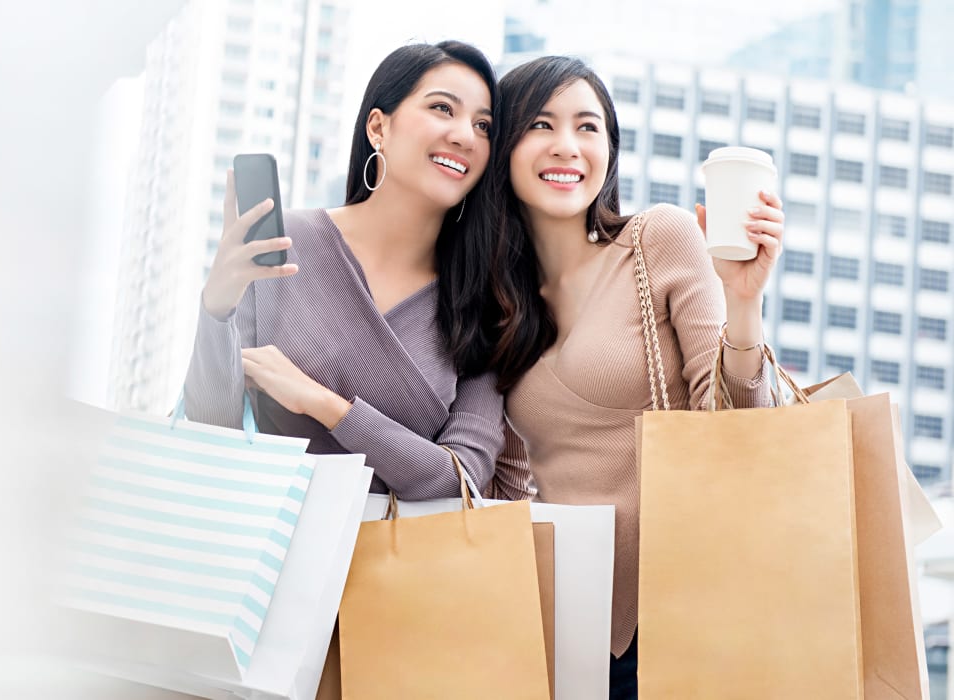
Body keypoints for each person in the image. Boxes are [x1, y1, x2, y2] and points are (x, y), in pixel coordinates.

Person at [485, 56, 784, 698]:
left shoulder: (657, 240)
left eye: (587, 127)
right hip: (561, 622)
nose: (567, 146)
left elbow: (743, 431)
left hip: (680, 605)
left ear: (609, 152)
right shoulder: (494, 303)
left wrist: (744, 304)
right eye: (541, 124)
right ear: (504, 142)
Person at [184, 41, 504, 499]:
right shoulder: (286, 243)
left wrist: (324, 405)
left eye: (483, 125)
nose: (465, 136)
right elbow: (211, 430)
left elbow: (461, 480)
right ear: (379, 127)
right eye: (441, 108)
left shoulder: (481, 302)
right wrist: (218, 306)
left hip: (399, 566)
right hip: (266, 548)